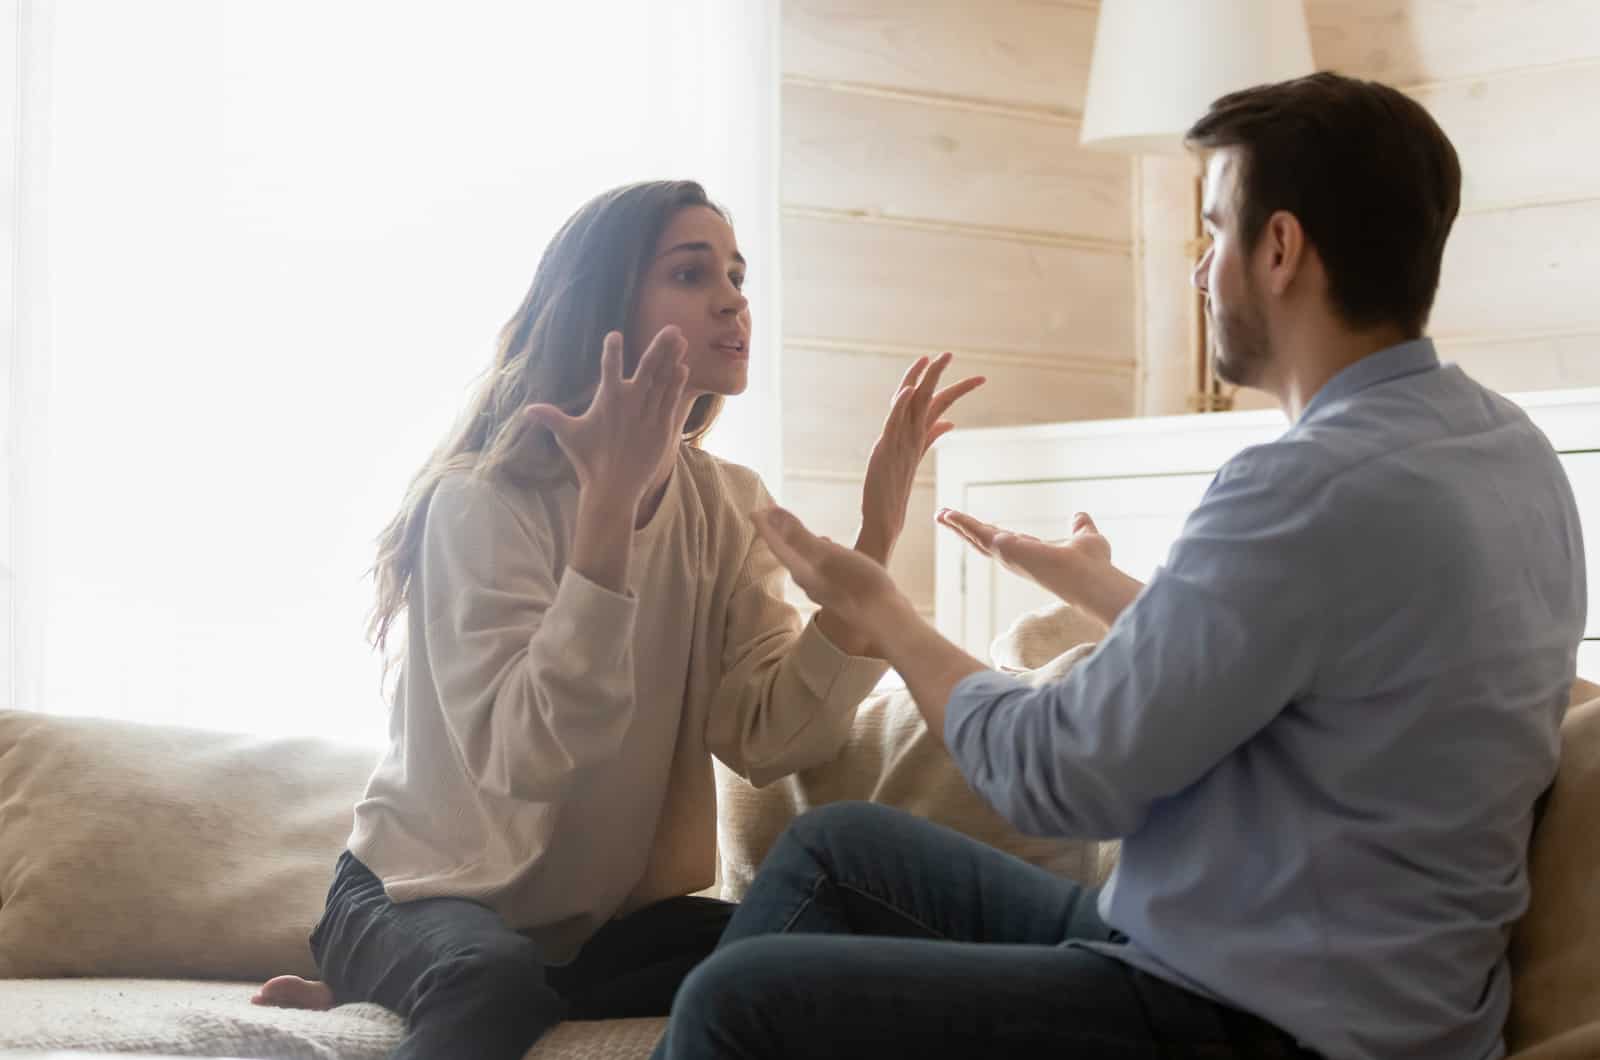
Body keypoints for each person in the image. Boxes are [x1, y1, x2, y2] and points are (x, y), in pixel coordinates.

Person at [652, 73, 1588, 1060]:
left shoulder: (1305, 484)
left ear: (1278, 250)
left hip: (1249, 1023)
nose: (1200, 272)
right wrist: (1102, 590)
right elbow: (1333, 669)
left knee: (738, 1004)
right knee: (835, 851)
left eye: (1213, 231)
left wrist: (886, 616)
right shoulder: (1508, 450)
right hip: (1293, 975)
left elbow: (1061, 774)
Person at [251, 179, 984, 1059]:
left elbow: (767, 736)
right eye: (690, 273)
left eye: (737, 275)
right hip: (421, 895)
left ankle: (399, 991)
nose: (732, 300)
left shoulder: (728, 504)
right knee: (492, 981)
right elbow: (530, 762)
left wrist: (873, 543)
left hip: (598, 931)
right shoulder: (482, 500)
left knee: (827, 955)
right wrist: (606, 514)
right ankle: (397, 971)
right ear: (605, 306)